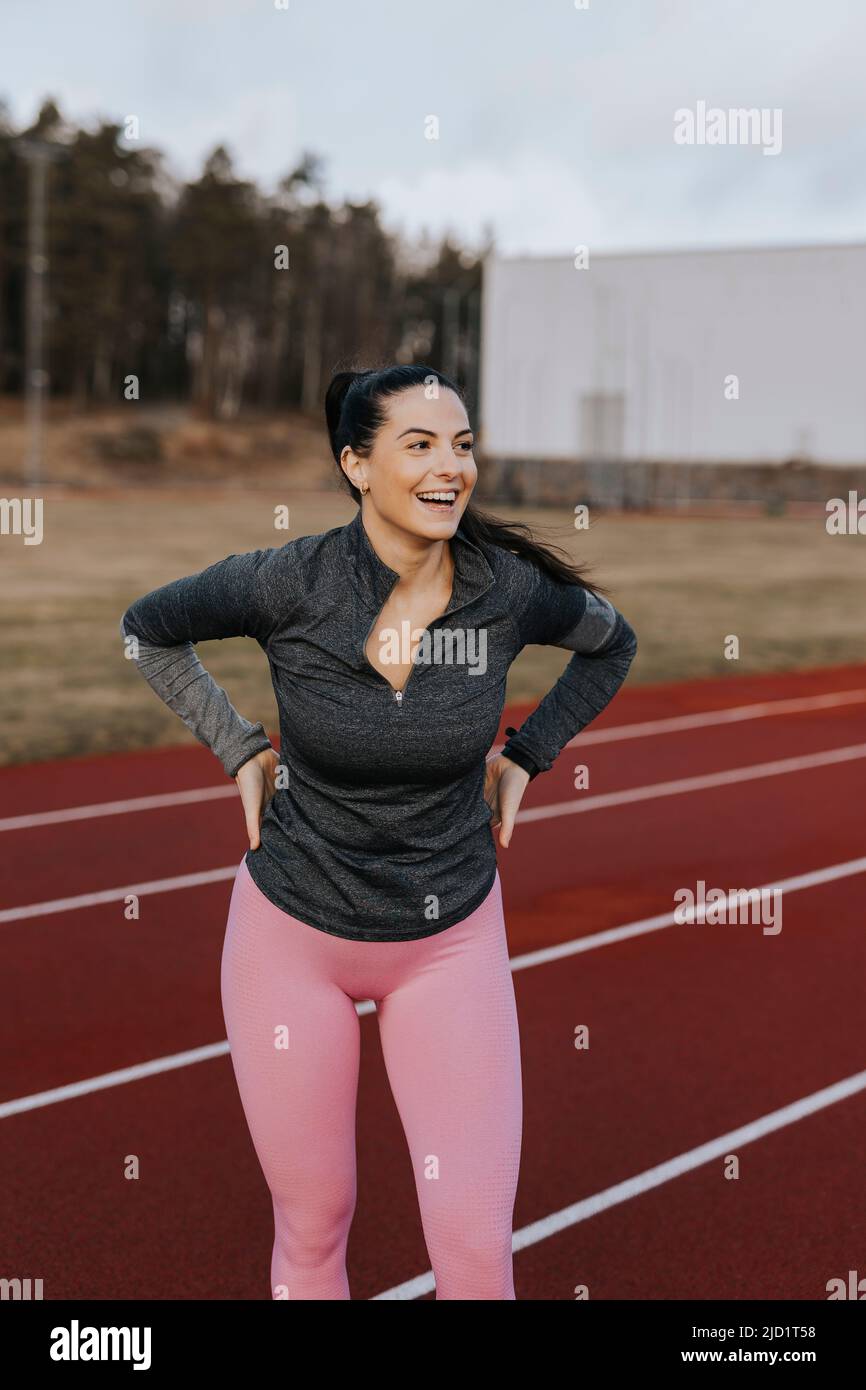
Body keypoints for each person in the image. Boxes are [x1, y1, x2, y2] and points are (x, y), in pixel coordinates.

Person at [119, 363, 638, 1300]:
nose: (453, 468)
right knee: (314, 1229)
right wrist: (238, 746)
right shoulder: (289, 582)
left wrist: (529, 752)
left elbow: (614, 643)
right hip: (293, 938)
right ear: (357, 465)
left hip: (448, 946)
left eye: (464, 444)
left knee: (476, 1245)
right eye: (421, 445)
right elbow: (148, 629)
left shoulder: (509, 594)